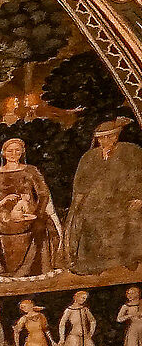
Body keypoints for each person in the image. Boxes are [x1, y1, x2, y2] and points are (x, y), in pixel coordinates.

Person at [0, 138, 67, 280]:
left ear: (22, 152)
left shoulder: (31, 171)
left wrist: (37, 213)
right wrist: (0, 202)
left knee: (40, 227)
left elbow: (43, 194)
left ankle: (33, 271)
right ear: (3, 153)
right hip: (2, 217)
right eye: (10, 151)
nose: (13, 154)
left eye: (17, 150)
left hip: (30, 212)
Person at [65, 116, 142, 272]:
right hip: (96, 202)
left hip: (124, 199)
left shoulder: (131, 151)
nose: (106, 140)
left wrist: (139, 197)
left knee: (130, 216)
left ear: (117, 135)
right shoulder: (89, 157)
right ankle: (96, 264)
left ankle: (127, 259)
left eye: (110, 136)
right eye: (102, 138)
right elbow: (80, 184)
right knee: (88, 217)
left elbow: (139, 176)